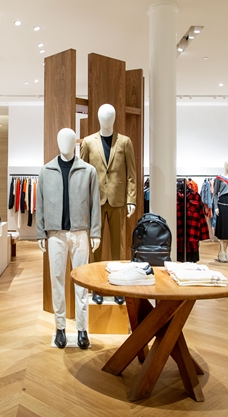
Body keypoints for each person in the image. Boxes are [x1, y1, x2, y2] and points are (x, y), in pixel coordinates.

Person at [36, 128, 101, 349]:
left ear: (76, 143)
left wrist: (95, 232)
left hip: (80, 233)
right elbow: (40, 203)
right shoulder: (46, 171)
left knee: (82, 282)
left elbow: (95, 204)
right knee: (57, 280)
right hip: (55, 234)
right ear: (57, 142)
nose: (65, 143)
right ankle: (60, 328)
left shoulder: (88, 170)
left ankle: (82, 329)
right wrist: (40, 232)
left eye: (70, 140)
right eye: (61, 139)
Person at [80, 104, 136, 305]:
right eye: (104, 117)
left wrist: (131, 199)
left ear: (114, 119)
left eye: (110, 116)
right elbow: (82, 174)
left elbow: (131, 174)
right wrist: (83, 202)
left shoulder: (125, 142)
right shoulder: (88, 142)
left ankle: (118, 286)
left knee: (117, 246)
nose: (107, 120)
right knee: (95, 246)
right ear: (98, 118)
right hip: (95, 201)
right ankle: (97, 287)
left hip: (118, 201)